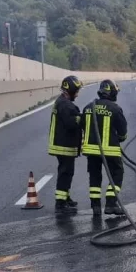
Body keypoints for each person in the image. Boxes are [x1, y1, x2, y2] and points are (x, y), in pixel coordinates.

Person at [81, 80, 128, 217]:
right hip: (110, 150)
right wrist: (120, 138)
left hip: (91, 150)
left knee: (95, 177)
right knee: (117, 173)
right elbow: (123, 132)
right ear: (112, 93)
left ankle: (95, 206)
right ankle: (111, 203)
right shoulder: (115, 109)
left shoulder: (88, 107)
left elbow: (83, 126)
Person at [48, 75, 84, 214]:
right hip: (64, 145)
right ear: (71, 90)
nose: (78, 94)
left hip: (63, 144)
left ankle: (65, 197)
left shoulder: (62, 102)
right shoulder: (65, 105)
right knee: (65, 173)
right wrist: (82, 118)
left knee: (67, 172)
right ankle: (61, 203)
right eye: (77, 90)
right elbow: (71, 123)